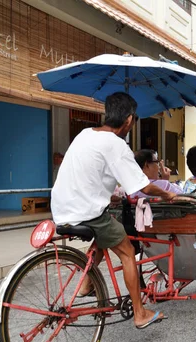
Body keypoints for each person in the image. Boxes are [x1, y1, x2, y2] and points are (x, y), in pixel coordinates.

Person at [51, 92, 176, 329]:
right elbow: (144, 186)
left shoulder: (84, 134)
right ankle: (140, 313)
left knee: (106, 233)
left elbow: (87, 175)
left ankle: (87, 284)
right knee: (127, 250)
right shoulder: (116, 144)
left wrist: (109, 196)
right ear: (128, 120)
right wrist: (168, 194)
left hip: (61, 208)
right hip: (85, 211)